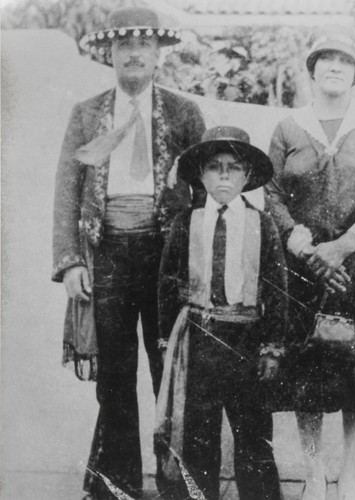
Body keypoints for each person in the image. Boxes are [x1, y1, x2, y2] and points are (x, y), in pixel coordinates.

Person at [52, 7, 205, 500]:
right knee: (115, 378)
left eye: (144, 45)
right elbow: (67, 190)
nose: (134, 53)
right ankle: (116, 487)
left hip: (166, 258)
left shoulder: (184, 114)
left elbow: (204, 195)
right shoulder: (88, 113)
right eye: (124, 46)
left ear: (159, 55)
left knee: (171, 372)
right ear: (109, 55)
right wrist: (72, 260)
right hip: (109, 255)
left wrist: (199, 259)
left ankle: (177, 485)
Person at [265, 25, 355, 500]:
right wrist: (297, 238)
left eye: (344, 61)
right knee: (308, 371)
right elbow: (269, 191)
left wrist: (343, 245)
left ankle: (348, 473)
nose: (334, 67)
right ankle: (313, 474)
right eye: (325, 59)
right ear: (312, 69)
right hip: (302, 268)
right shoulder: (288, 126)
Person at [155, 126, 288, 500]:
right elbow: (167, 283)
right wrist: (168, 341)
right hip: (200, 339)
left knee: (254, 436)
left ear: (247, 176)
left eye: (233, 167)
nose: (224, 175)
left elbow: (277, 289)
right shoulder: (186, 222)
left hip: (247, 339)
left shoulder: (262, 224)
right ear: (201, 174)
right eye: (215, 167)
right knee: (197, 435)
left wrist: (272, 347)